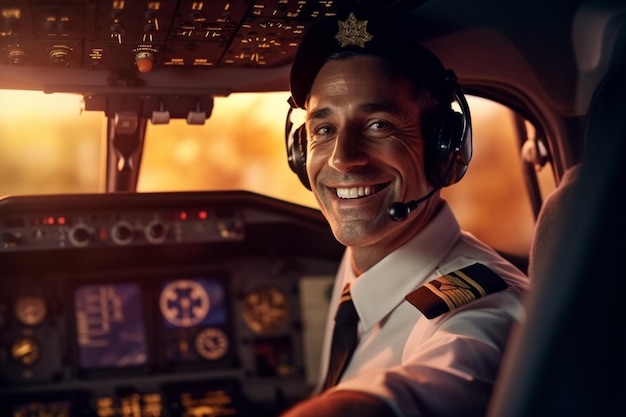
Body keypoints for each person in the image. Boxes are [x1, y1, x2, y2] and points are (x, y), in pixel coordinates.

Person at [280, 10, 530, 417]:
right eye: (323, 130)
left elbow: (434, 390)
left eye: (379, 125)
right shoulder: (368, 253)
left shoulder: (485, 310)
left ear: (443, 150)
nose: (343, 160)